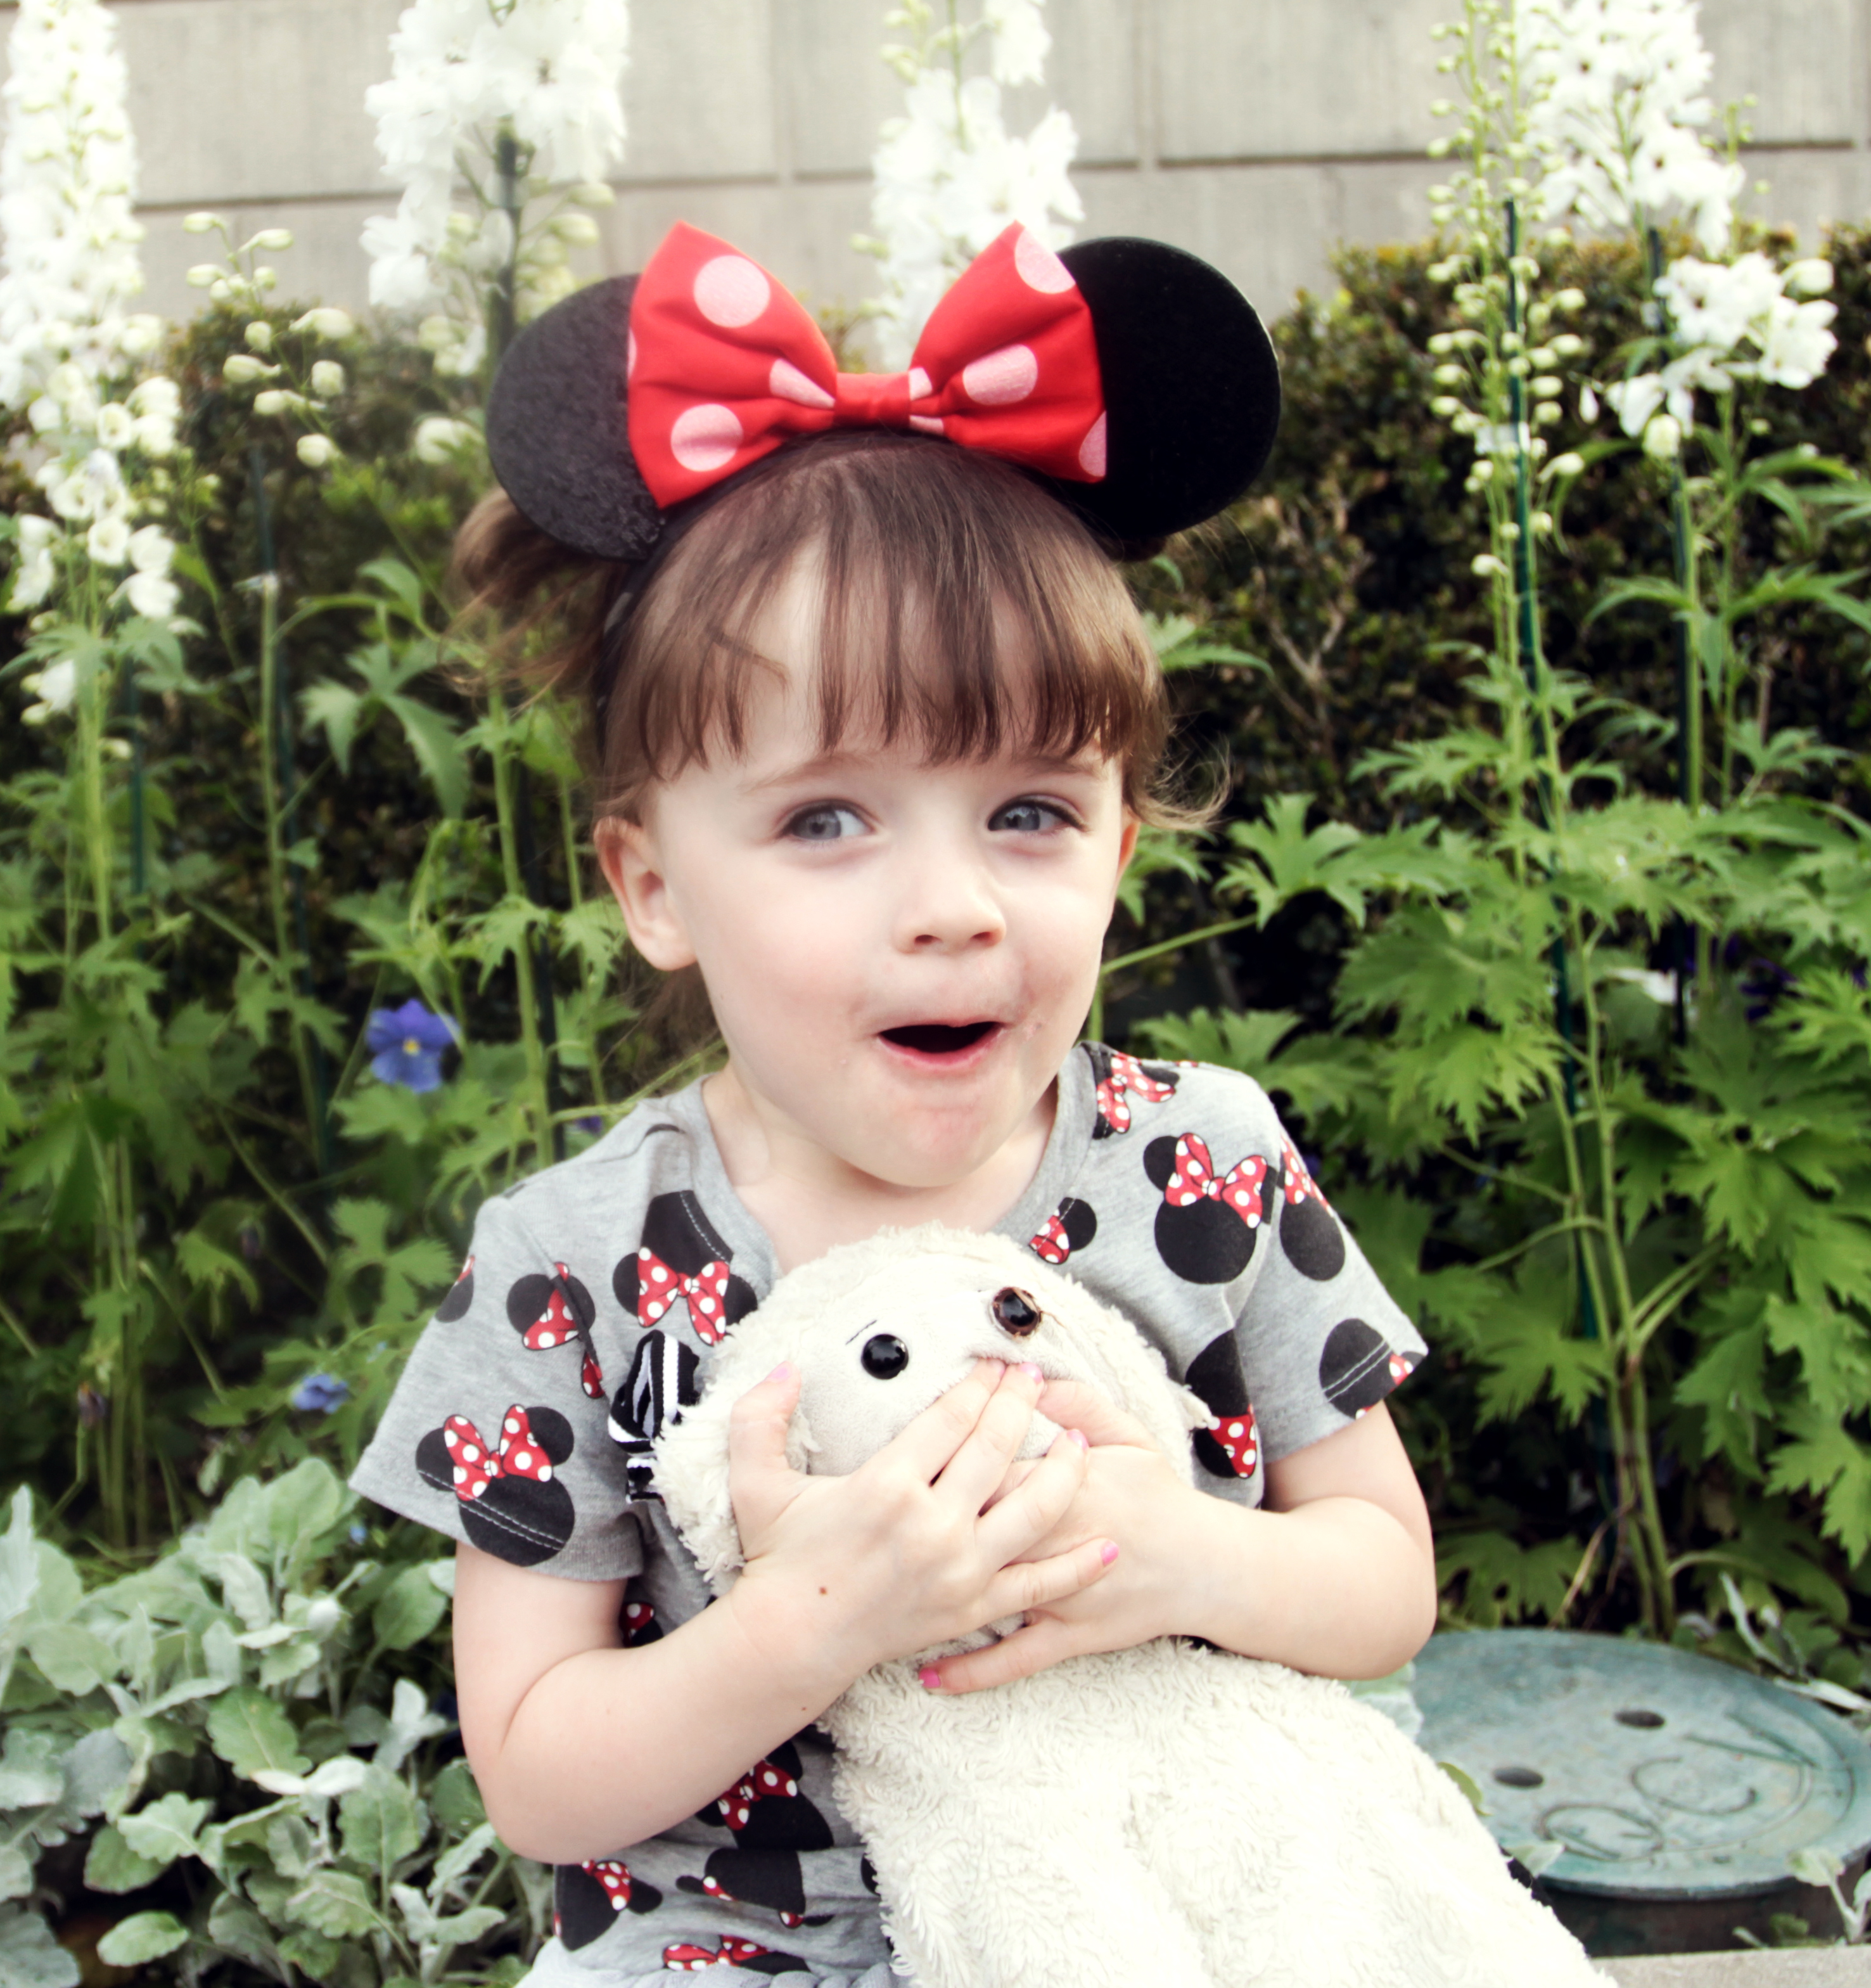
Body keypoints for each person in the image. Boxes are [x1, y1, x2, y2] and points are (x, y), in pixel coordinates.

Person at [351, 220, 1439, 1987]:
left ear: (1120, 848)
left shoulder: (1201, 1167)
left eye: (1029, 813)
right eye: (826, 819)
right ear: (653, 885)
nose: (952, 904)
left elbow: (1383, 1581)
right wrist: (807, 1621)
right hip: (737, 1948)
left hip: (1161, 1901)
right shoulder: (573, 1264)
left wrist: (1177, 1556)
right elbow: (538, 1771)